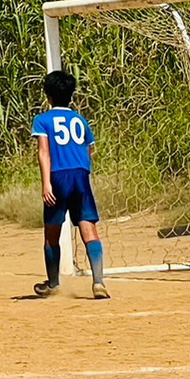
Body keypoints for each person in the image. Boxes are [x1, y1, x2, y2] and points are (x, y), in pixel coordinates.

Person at [33, 70, 109, 300]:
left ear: (48, 95)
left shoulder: (43, 120)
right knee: (88, 228)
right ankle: (98, 283)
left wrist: (46, 183)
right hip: (80, 176)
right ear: (71, 94)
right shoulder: (80, 120)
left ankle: (54, 284)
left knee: (52, 234)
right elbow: (89, 150)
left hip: (58, 176)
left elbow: (44, 152)